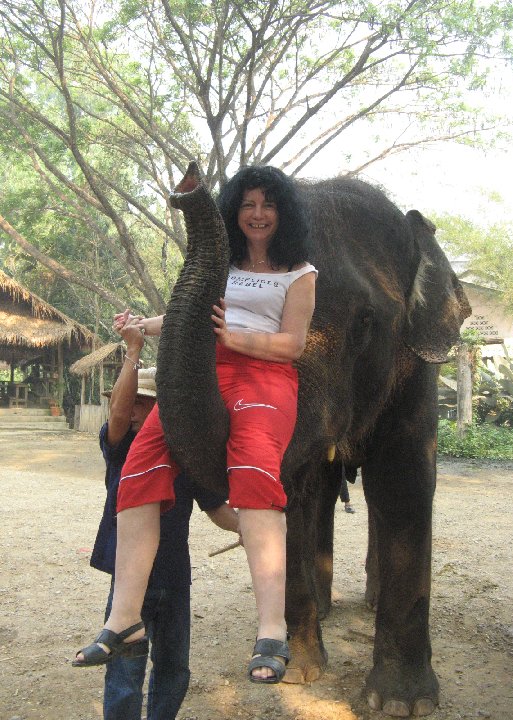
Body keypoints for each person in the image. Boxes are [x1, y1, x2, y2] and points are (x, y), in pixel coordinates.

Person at [74, 165, 317, 684]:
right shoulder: (219, 265)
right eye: (248, 204)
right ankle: (125, 621)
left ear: (283, 213)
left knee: (254, 475)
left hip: (264, 378)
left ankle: (272, 629)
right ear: (234, 210)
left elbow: (293, 344)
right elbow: (187, 315)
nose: (257, 214)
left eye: (268, 205)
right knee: (138, 471)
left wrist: (235, 338)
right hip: (201, 372)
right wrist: (143, 326)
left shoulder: (300, 272)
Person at [74, 316, 240, 720]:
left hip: (174, 578)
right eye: (132, 404)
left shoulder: (187, 454)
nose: (132, 411)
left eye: (143, 404)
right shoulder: (122, 447)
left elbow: (217, 508)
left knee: (174, 668)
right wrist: (133, 351)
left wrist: (254, 528)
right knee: (125, 668)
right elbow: (116, 414)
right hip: (132, 583)